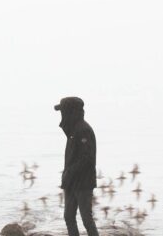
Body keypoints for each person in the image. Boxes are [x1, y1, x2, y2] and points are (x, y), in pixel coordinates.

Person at [54, 97, 99, 236]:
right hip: (71, 182)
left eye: (63, 111)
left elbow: (88, 159)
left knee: (86, 219)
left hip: (83, 183)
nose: (62, 115)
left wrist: (70, 172)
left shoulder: (84, 130)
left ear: (70, 112)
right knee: (68, 217)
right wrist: (67, 175)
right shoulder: (73, 130)